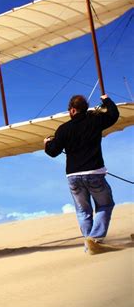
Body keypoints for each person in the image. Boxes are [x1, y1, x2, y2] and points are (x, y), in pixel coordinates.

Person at [44, 94, 119, 254]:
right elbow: (113, 115)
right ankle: (95, 239)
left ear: (72, 110)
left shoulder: (63, 129)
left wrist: (47, 144)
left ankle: (90, 244)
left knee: (83, 211)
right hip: (94, 172)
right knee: (105, 205)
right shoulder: (95, 121)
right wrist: (106, 99)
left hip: (73, 176)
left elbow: (52, 152)